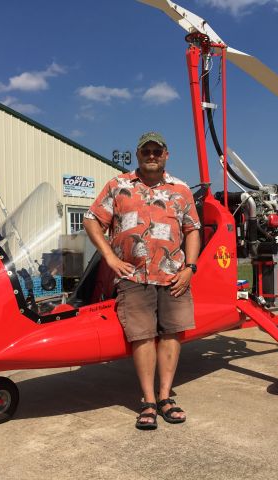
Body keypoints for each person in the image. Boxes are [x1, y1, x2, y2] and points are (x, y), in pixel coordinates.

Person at [84, 132, 201, 430]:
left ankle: (166, 398)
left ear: (166, 155)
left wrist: (189, 267)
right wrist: (110, 258)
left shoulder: (181, 190)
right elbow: (91, 219)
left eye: (157, 151)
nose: (152, 155)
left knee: (172, 333)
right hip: (133, 275)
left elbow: (192, 230)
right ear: (138, 155)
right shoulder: (118, 186)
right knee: (142, 336)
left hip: (174, 275)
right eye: (146, 151)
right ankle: (148, 401)